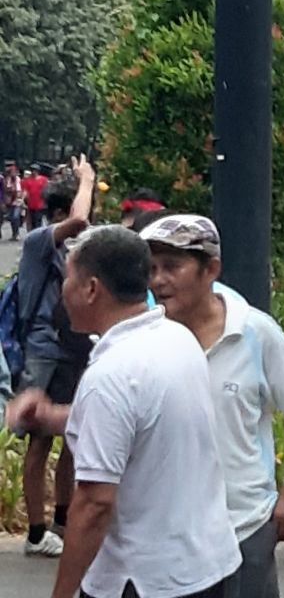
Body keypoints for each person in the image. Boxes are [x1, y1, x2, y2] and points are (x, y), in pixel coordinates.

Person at [6, 226, 240, 598]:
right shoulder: (175, 338)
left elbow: (95, 503)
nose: (62, 291)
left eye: (68, 278)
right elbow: (139, 421)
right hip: (202, 565)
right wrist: (52, 418)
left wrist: (62, 593)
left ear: (91, 289)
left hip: (142, 580)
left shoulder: (112, 374)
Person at [141, 214, 284, 598]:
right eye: (152, 268)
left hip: (243, 526)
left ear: (211, 270)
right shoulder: (146, 337)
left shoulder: (255, 332)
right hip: (165, 533)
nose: (158, 280)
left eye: (172, 267)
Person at [16, 155, 96, 557]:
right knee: (39, 440)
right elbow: (81, 222)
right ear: (59, 214)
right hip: (43, 349)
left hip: (74, 347)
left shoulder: (76, 257)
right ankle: (34, 531)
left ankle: (62, 521)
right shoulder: (38, 242)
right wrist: (87, 179)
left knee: (71, 437)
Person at [4, 163, 23, 240]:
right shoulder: (7, 180)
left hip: (17, 201)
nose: (12, 174)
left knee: (15, 217)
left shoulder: (18, 180)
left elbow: (19, 191)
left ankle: (17, 233)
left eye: (13, 172)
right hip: (10, 201)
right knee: (11, 218)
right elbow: (6, 189)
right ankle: (14, 234)